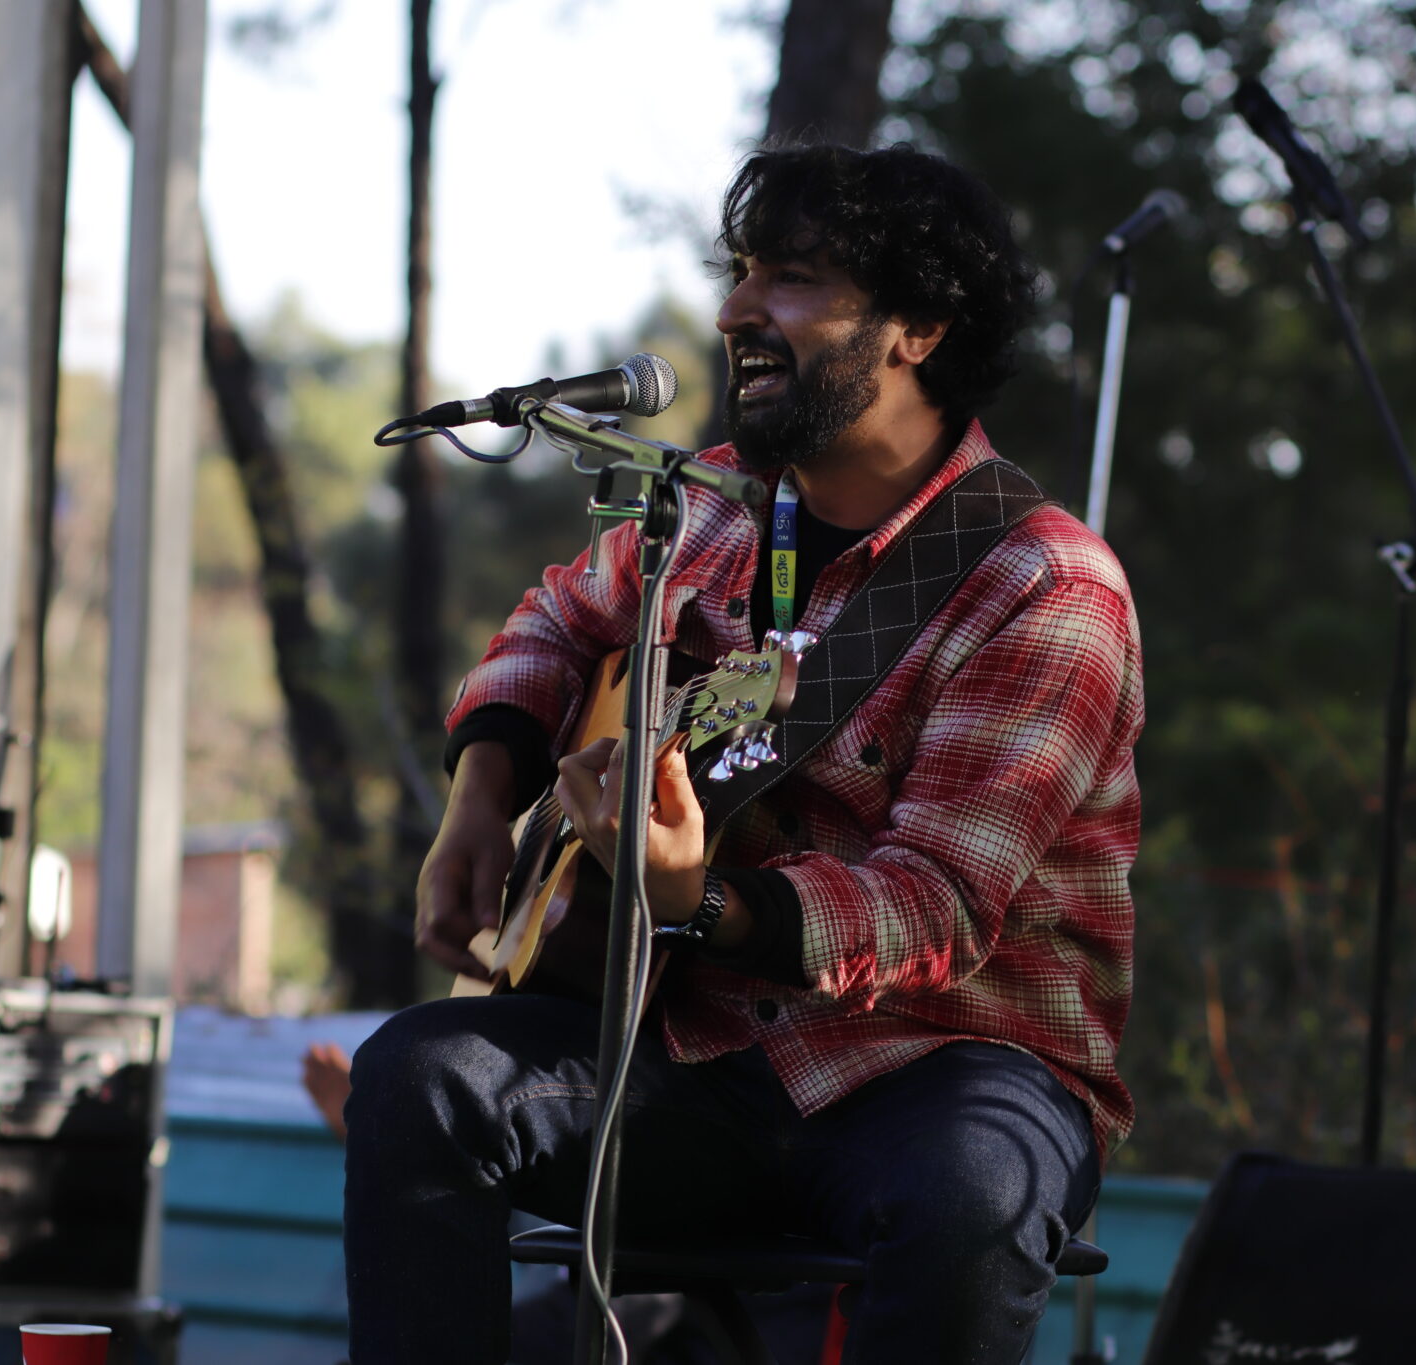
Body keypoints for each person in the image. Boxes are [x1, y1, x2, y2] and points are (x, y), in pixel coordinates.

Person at [342, 142, 1144, 1365]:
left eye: (793, 277)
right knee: (415, 1076)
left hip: (944, 1068)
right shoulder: (708, 507)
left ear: (918, 328)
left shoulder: (1045, 586)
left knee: (972, 1195)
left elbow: (932, 904)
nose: (734, 311)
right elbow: (556, 620)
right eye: (740, 274)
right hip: (694, 1061)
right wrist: (482, 792)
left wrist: (696, 900)